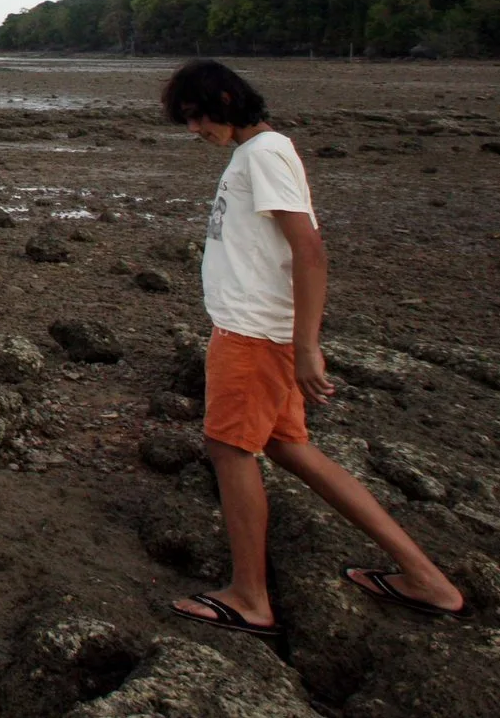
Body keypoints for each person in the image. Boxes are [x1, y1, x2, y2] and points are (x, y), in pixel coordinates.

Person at [159, 58, 466, 637]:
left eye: (197, 117)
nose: (194, 131)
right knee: (290, 449)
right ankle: (425, 577)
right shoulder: (252, 154)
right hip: (255, 330)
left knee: (228, 449)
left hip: (254, 334)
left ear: (225, 99)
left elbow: (310, 251)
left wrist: (306, 347)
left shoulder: (265, 153)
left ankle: (250, 596)